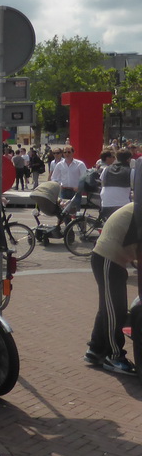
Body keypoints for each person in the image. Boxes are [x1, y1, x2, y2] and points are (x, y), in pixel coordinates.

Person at [85, 168, 141, 375]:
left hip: (111, 259)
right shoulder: (139, 212)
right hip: (108, 259)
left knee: (108, 306)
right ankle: (114, 355)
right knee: (114, 310)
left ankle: (95, 349)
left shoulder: (138, 207)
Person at [100, 149, 134, 220]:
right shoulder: (131, 171)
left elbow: (102, 184)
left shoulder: (106, 169)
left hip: (106, 204)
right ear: (128, 159)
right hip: (122, 206)